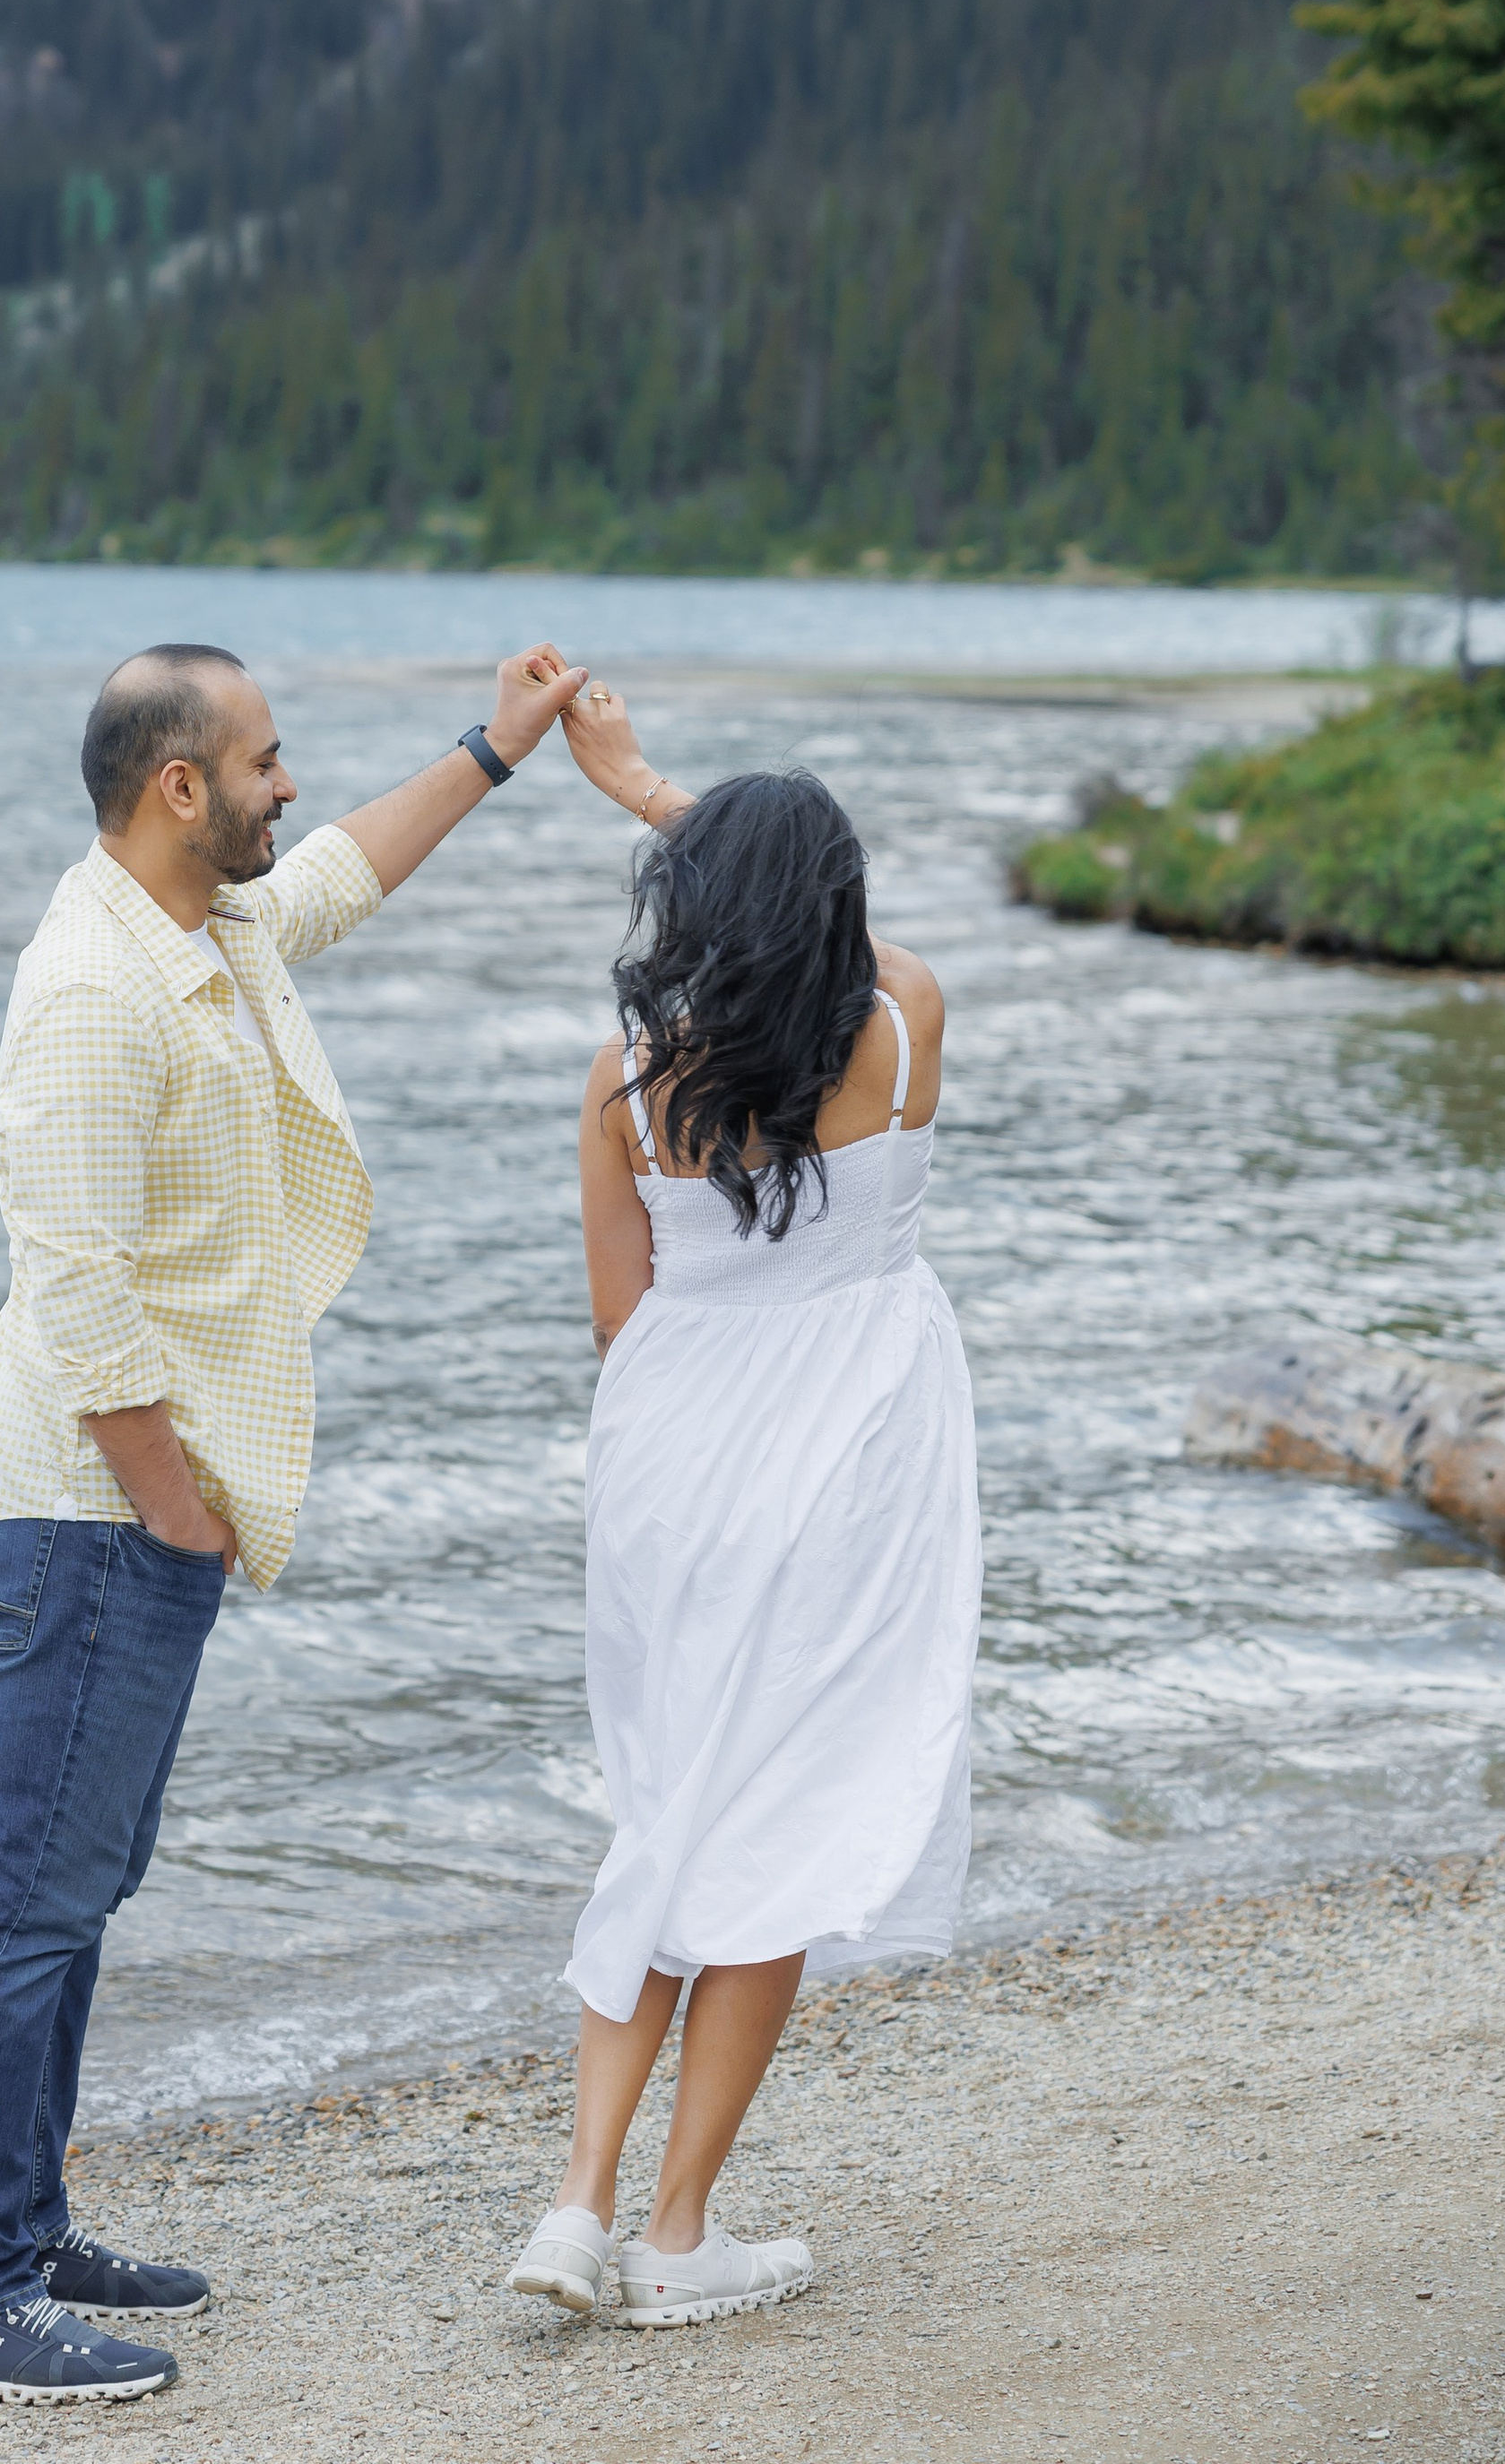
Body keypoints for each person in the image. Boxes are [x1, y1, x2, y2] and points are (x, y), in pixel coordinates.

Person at [0, 637, 589, 2407]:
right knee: (30, 1894)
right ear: (176, 785)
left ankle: (22, 2228)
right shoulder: (89, 995)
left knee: (77, 1879)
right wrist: (177, 1519)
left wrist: (492, 753)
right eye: (268, 761)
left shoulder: (207, 930)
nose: (291, 785)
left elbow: (344, 873)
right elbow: (73, 1290)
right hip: (81, 1502)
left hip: (135, 1502)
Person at [506, 679, 981, 2330]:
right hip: (846, 1470)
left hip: (669, 1469)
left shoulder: (625, 1079)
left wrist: (645, 804)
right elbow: (821, 929)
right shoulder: (904, 1021)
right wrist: (656, 792)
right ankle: (680, 2232)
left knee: (669, 1815)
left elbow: (618, 1321)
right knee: (769, 1836)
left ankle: (577, 2206)